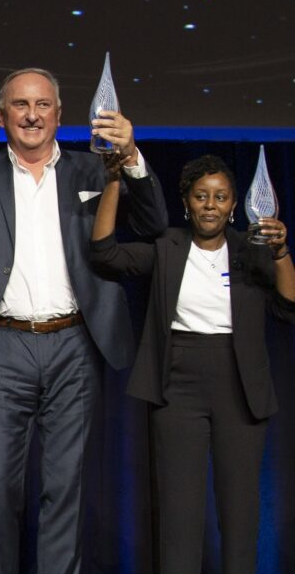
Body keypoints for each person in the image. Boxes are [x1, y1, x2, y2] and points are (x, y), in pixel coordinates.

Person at [0, 68, 169, 573]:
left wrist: (131, 156)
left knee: (67, 489)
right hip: (3, 345)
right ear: (1, 117)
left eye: (43, 105)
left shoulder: (94, 170)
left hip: (76, 343)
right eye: (20, 105)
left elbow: (153, 224)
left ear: (59, 115)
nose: (32, 115)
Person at [90, 154, 295, 574]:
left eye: (220, 197)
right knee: (179, 513)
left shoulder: (251, 250)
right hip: (177, 386)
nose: (210, 205)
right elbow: (105, 254)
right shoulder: (167, 247)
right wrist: (113, 183)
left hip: (240, 387)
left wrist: (280, 252)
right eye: (201, 196)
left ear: (233, 205)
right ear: (186, 202)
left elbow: (288, 307)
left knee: (240, 513)